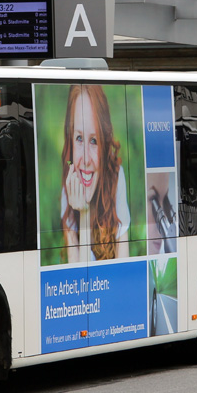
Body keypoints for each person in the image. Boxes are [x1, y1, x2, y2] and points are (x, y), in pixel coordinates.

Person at [59, 84, 130, 262]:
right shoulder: (69, 187)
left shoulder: (116, 177)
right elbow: (79, 282)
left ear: (104, 144)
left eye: (94, 140)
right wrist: (83, 213)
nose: (86, 159)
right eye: (79, 138)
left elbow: (124, 267)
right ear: (71, 140)